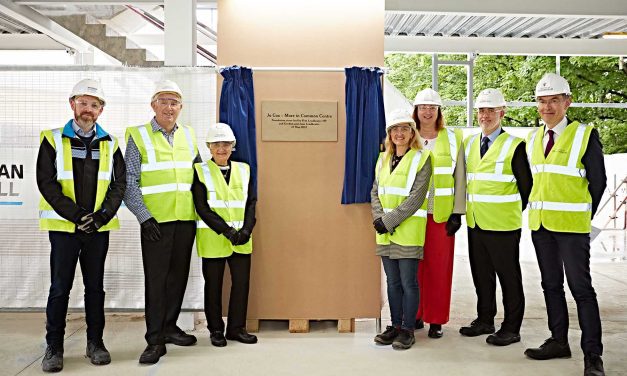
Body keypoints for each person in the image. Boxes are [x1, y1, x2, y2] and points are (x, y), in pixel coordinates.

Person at [36, 78, 126, 372]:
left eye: (94, 105)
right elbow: (46, 183)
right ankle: (54, 348)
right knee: (60, 288)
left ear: (101, 110)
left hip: (97, 230)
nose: (88, 109)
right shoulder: (51, 139)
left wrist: (100, 217)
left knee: (95, 288)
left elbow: (118, 184)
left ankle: (95, 344)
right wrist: (76, 216)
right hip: (65, 229)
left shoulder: (110, 143)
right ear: (72, 103)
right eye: (83, 103)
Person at [524, 73, 607, 376]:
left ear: (567, 102)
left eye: (554, 101)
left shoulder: (585, 135)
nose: (547, 107)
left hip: (571, 227)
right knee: (550, 285)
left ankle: (593, 355)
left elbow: (598, 182)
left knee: (581, 289)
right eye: (542, 101)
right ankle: (558, 341)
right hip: (542, 225)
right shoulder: (533, 138)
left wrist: (583, 216)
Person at [124, 80, 200, 364]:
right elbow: (129, 182)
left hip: (185, 219)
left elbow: (198, 179)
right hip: (155, 222)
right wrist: (144, 217)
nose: (170, 107)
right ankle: (154, 339)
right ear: (153, 104)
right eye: (164, 101)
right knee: (156, 281)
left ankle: (169, 326)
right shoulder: (138, 136)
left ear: (181, 108)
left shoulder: (190, 136)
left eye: (175, 102)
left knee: (178, 276)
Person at [459, 89, 531, 346]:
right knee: (481, 275)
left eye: (491, 110)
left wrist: (505, 210)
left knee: (508, 277)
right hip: (476, 222)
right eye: (481, 110)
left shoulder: (515, 145)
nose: (485, 115)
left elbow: (527, 187)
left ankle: (511, 327)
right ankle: (485, 319)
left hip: (502, 225)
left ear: (503, 112)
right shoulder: (468, 144)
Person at [192, 122, 258, 347]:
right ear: (209, 147)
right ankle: (216, 330)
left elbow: (251, 202)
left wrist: (247, 230)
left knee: (241, 284)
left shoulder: (244, 169)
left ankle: (236, 328)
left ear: (233, 146)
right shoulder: (200, 171)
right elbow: (202, 207)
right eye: (217, 144)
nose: (222, 148)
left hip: (242, 238)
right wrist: (227, 231)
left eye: (226, 144)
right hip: (214, 238)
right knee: (213, 286)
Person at [371, 109, 432, 350]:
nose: (399, 133)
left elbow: (416, 198)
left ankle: (408, 329)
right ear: (389, 134)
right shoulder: (382, 158)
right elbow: (375, 191)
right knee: (393, 282)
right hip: (384, 231)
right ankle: (395, 326)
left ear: (412, 132)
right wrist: (378, 217)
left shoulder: (423, 158)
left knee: (409, 283)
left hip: (408, 230)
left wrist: (387, 221)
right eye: (395, 129)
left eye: (404, 128)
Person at [411, 88, 465, 338]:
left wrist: (457, 213)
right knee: (413, 267)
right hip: (411, 215)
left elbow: (460, 177)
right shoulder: (406, 136)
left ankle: (436, 320)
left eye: (432, 107)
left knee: (439, 268)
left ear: (439, 111)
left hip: (440, 215)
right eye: (423, 107)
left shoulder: (453, 138)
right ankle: (415, 314)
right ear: (416, 111)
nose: (428, 111)